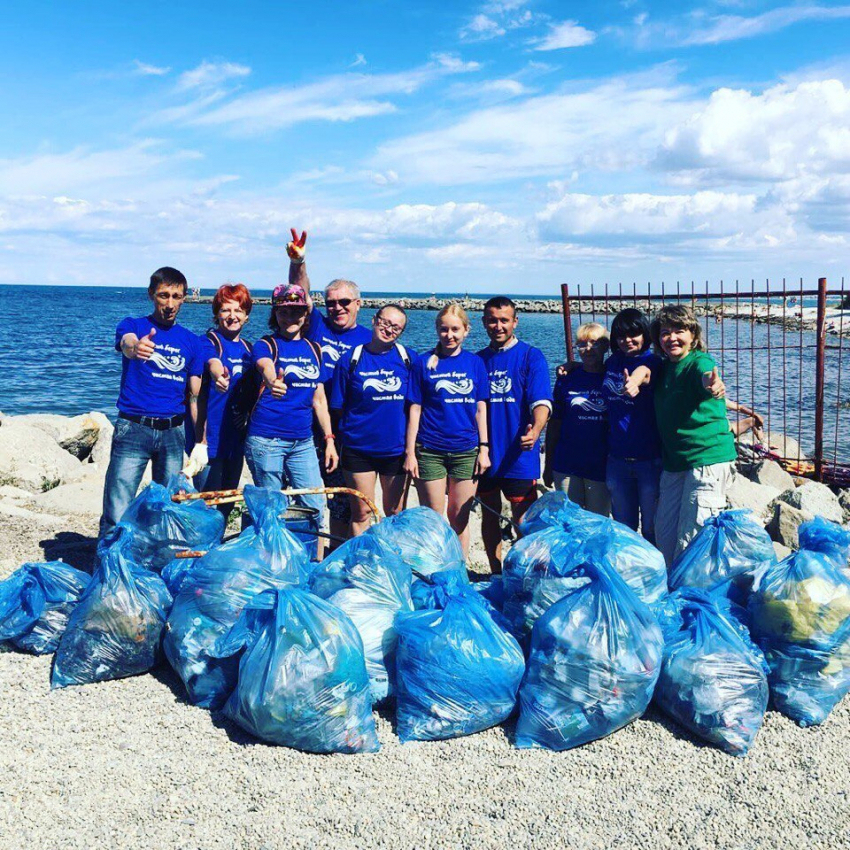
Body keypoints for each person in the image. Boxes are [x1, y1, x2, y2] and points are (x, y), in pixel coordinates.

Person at [99, 267, 204, 538]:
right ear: (151, 295)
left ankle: (153, 571)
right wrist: (135, 349)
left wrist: (200, 443)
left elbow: (194, 396)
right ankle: (109, 576)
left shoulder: (191, 341)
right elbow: (127, 342)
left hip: (173, 432)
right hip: (133, 428)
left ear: (184, 298)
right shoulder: (133, 325)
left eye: (176, 296)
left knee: (165, 510)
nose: (170, 304)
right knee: (117, 510)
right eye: (163, 295)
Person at [286, 230, 371, 542]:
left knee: (345, 501)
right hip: (311, 422)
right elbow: (300, 293)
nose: (337, 308)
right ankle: (312, 550)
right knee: (311, 496)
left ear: (358, 304)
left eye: (344, 302)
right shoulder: (318, 326)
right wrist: (299, 261)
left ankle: (338, 555)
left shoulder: (368, 339)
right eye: (331, 302)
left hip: (349, 424)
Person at [243, 282, 338, 547]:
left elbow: (319, 400)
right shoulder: (267, 345)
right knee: (273, 510)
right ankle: (273, 563)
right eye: (284, 312)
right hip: (266, 440)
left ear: (306, 314)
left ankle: (312, 562)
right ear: (275, 314)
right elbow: (264, 366)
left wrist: (329, 439)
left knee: (316, 504)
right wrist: (273, 381)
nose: (291, 317)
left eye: (297, 311)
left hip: (303, 442)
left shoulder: (314, 349)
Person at [647, 304, 733, 565]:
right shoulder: (664, 368)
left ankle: (689, 598)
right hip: (675, 463)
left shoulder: (700, 361)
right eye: (665, 332)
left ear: (693, 335)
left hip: (706, 461)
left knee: (692, 538)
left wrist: (714, 385)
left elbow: (707, 377)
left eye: (679, 330)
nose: (671, 337)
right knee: (664, 534)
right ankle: (673, 592)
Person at [404, 304, 490, 554]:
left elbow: (480, 409)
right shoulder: (423, 363)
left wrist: (484, 449)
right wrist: (410, 453)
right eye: (444, 329)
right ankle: (433, 570)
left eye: (455, 329)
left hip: (466, 450)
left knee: (459, 519)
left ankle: (459, 575)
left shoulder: (475, 363)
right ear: (437, 330)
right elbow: (415, 409)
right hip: (430, 450)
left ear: (466, 330)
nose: (449, 335)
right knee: (432, 519)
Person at [477, 296, 552, 572]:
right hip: (485, 455)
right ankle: (495, 573)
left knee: (523, 520)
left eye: (504, 320)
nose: (498, 326)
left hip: (519, 454)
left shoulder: (531, 356)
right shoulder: (478, 361)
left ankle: (521, 574)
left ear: (515, 322)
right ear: (484, 322)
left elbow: (542, 402)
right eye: (492, 320)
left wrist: (537, 427)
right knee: (489, 515)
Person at [330, 304, 415, 536]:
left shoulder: (409, 359)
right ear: (374, 320)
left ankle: (391, 562)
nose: (388, 329)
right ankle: (361, 564)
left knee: (394, 512)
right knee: (361, 513)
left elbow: (420, 400)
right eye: (385, 322)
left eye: (396, 327)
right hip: (358, 449)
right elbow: (337, 406)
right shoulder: (351, 359)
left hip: (395, 450)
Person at [190, 284, 254, 518]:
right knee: (204, 503)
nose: (232, 316)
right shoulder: (208, 342)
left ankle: (216, 549)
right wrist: (219, 376)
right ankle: (199, 551)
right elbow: (212, 363)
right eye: (226, 310)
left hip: (235, 441)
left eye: (238, 310)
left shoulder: (249, 349)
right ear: (217, 313)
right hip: (210, 440)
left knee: (226, 502)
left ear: (246, 316)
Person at [602, 308, 663, 543]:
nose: (627, 340)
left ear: (645, 334)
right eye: (621, 336)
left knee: (651, 528)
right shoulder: (612, 362)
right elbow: (592, 369)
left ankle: (655, 575)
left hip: (649, 461)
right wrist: (572, 366)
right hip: (616, 459)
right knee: (623, 529)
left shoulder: (653, 361)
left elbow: (644, 373)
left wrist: (635, 382)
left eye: (634, 334)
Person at [544, 322, 611, 516]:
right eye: (582, 344)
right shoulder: (567, 378)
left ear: (606, 346)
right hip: (567, 464)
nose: (588, 349)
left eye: (594, 343)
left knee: (596, 523)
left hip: (600, 466)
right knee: (569, 522)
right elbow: (555, 423)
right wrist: (549, 464)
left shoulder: (612, 376)